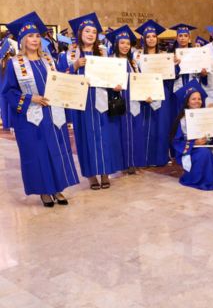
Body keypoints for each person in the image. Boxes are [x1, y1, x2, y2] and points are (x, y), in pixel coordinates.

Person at [2, 12, 79, 207]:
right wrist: (30, 98)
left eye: (37, 36)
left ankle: (58, 188)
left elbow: (59, 82)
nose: (35, 39)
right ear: (22, 40)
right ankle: (44, 191)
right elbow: (8, 91)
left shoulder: (48, 60)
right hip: (30, 117)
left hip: (53, 114)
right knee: (38, 154)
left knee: (57, 150)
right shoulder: (14, 64)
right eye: (30, 36)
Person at [57, 12, 124, 190]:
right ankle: (91, 176)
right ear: (80, 33)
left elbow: (110, 76)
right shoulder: (68, 56)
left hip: (101, 101)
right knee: (85, 139)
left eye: (94, 32)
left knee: (104, 137)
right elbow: (59, 79)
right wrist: (74, 66)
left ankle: (105, 173)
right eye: (87, 31)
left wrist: (116, 86)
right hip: (81, 104)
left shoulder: (103, 54)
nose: (91, 34)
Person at [171, 79, 213, 191]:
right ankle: (201, 180)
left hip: (206, 146)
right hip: (190, 150)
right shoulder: (182, 120)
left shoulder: (206, 115)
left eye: (199, 99)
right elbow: (176, 142)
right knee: (203, 153)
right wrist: (194, 143)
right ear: (187, 102)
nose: (197, 101)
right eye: (193, 99)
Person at [107, 25, 146, 174]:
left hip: (134, 102)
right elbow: (104, 80)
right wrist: (112, 87)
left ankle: (133, 162)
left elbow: (140, 81)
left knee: (135, 132)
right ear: (116, 44)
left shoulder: (133, 62)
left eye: (128, 43)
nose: (125, 46)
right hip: (119, 102)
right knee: (120, 134)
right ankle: (122, 164)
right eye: (122, 43)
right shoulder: (110, 61)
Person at [135, 20, 172, 167]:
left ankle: (160, 158)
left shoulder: (165, 56)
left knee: (161, 126)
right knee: (145, 126)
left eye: (154, 36)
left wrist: (174, 65)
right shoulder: (137, 57)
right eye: (148, 36)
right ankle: (145, 159)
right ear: (143, 39)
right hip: (145, 93)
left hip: (162, 92)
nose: (151, 39)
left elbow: (171, 76)